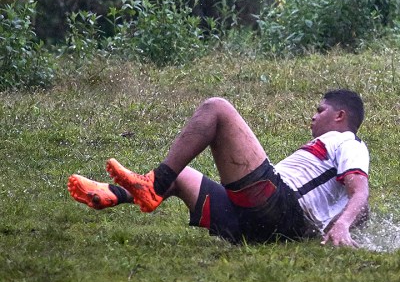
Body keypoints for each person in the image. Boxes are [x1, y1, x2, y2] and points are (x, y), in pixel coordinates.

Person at [67, 89, 370, 247]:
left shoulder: (348, 142)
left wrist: (342, 224)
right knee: (181, 175)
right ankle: (113, 194)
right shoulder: (330, 150)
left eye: (320, 110)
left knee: (217, 108)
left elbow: (360, 190)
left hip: (280, 209)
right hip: (253, 228)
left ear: (340, 116)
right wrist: (342, 223)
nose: (313, 117)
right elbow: (358, 207)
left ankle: (153, 185)